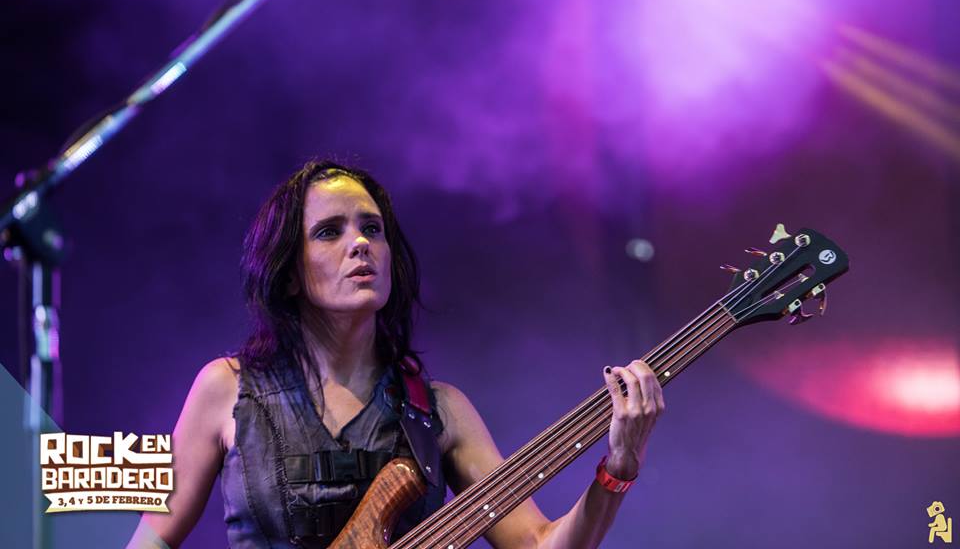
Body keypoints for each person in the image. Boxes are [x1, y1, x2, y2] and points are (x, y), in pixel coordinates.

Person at [127, 159, 665, 549]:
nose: (360, 243)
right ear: (289, 273)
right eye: (329, 232)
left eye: (371, 228)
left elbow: (540, 545)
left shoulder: (440, 411)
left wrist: (618, 468)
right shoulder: (225, 388)